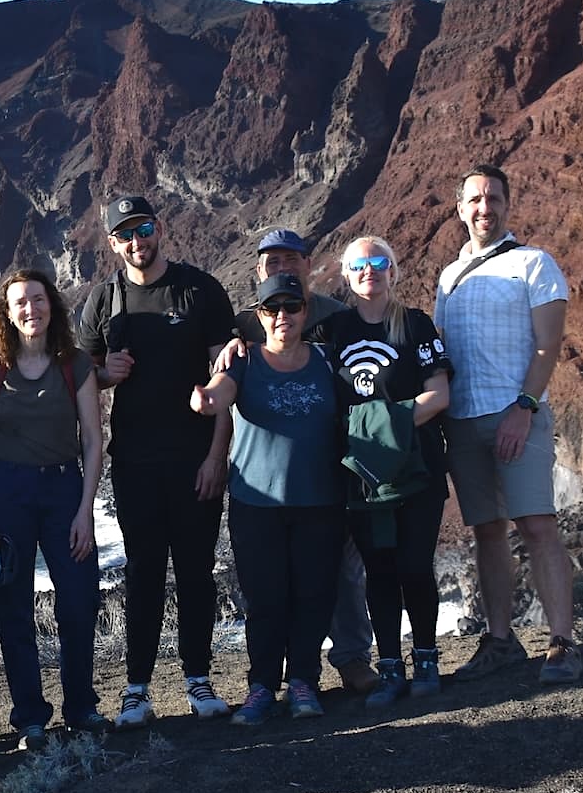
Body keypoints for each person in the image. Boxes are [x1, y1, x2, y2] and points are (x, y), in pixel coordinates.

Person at [76, 196, 235, 725]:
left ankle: (199, 680)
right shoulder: (104, 299)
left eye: (143, 229)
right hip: (135, 462)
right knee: (142, 572)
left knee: (196, 571)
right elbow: (83, 376)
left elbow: (225, 377)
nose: (136, 241)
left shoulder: (199, 289)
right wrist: (105, 375)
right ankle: (137, 689)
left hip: (195, 459)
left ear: (159, 229)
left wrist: (217, 454)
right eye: (124, 235)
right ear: (113, 244)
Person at [434, 163, 580, 683]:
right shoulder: (448, 277)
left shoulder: (534, 265)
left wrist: (523, 406)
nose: (483, 207)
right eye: (474, 199)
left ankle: (561, 641)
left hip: (515, 413)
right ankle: (500, 640)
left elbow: (548, 346)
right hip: (463, 419)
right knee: (487, 532)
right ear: (460, 209)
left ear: (507, 205)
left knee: (537, 524)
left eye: (493, 198)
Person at [193, 274, 345, 725]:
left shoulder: (327, 361)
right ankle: (261, 686)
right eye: (272, 308)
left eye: (292, 307)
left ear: (306, 312)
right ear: (259, 316)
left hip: (320, 500)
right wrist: (206, 399)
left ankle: (303, 681)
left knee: (313, 595)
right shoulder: (242, 361)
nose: (283, 316)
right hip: (256, 503)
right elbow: (221, 392)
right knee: (264, 597)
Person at [0, 269, 108, 749]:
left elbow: (93, 440)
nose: (31, 309)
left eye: (37, 299)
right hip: (8, 491)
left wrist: (85, 509)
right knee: (13, 608)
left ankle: (81, 708)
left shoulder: (76, 364)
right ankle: (29, 716)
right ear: (7, 314)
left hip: (64, 491)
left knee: (79, 599)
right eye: (20, 303)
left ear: (52, 304)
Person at [236, 228, 378, 696]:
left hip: (329, 473)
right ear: (259, 272)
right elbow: (225, 390)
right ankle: (272, 677)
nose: (282, 269)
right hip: (264, 481)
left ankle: (352, 658)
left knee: (339, 573)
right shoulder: (244, 328)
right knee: (270, 585)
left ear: (308, 265)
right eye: (272, 261)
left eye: (291, 259)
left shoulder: (339, 319)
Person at [324, 237, 452, 708]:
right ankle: (390, 667)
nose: (369, 271)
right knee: (378, 571)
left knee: (415, 566)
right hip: (362, 478)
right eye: (359, 264)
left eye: (379, 262)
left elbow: (439, 394)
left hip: (416, 470)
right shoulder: (334, 331)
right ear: (346, 273)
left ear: (393, 271)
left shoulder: (415, 325)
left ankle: (427, 658)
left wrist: (378, 427)